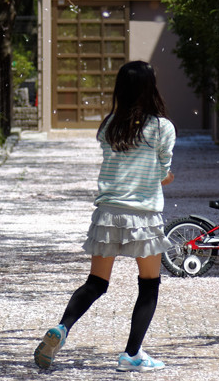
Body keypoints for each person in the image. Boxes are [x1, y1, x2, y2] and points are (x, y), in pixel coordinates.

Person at [34, 60, 175, 373]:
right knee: (149, 285)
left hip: (108, 214)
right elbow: (162, 173)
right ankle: (131, 355)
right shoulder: (162, 128)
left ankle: (62, 328)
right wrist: (164, 177)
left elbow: (121, 158)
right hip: (143, 218)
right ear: (150, 88)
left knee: (96, 282)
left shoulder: (109, 125)